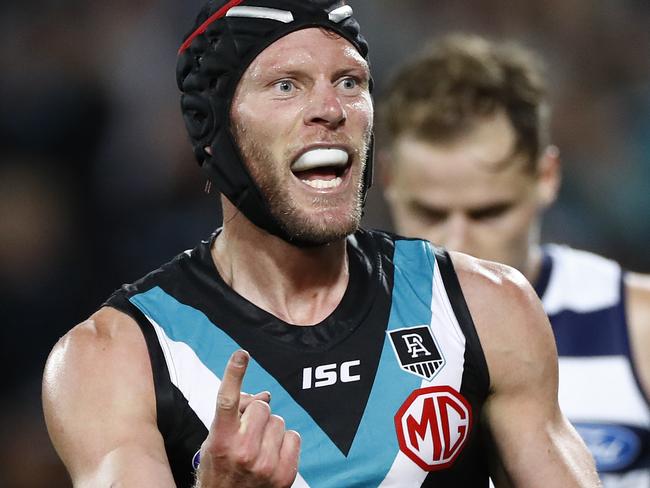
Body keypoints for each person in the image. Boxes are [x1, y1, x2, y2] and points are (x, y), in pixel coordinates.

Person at [42, 2, 600, 487]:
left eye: (350, 82)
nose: (331, 109)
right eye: (287, 85)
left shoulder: (484, 304)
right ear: (212, 132)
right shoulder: (115, 358)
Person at [379, 33, 650, 487]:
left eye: (489, 212)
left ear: (546, 176)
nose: (456, 241)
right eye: (430, 212)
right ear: (386, 178)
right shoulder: (340, 331)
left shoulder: (638, 324)